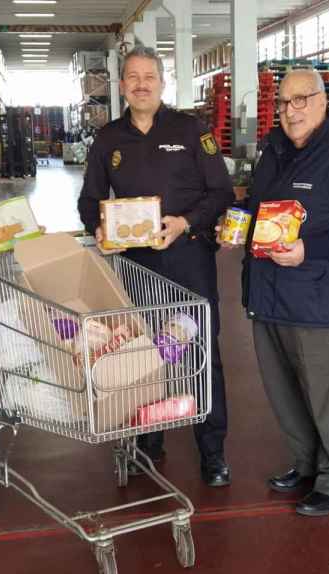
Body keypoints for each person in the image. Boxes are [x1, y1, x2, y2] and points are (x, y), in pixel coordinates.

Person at [225, 68, 329, 516]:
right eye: (282, 102)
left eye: (301, 100)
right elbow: (259, 206)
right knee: (287, 393)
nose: (290, 110)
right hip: (268, 293)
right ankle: (308, 464)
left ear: (323, 102)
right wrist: (238, 219)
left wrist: (309, 250)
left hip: (320, 299)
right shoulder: (274, 150)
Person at [78, 45, 235, 487]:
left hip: (189, 260)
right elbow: (89, 199)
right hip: (136, 268)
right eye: (133, 76)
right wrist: (101, 230)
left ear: (163, 83)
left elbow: (221, 192)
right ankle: (147, 443)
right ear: (122, 85)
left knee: (201, 352)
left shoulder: (190, 130)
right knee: (142, 355)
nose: (142, 83)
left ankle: (212, 451)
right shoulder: (108, 139)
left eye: (150, 76)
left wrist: (186, 222)